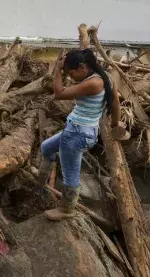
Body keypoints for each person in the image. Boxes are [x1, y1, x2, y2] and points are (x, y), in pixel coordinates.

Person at [38, 49, 123, 221]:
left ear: (83, 67)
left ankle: (67, 209)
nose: (70, 76)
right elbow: (115, 103)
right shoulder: (105, 77)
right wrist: (115, 125)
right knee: (46, 147)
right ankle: (40, 182)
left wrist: (57, 70)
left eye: (71, 72)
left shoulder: (94, 83)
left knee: (70, 175)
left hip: (77, 134)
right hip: (78, 131)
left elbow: (59, 93)